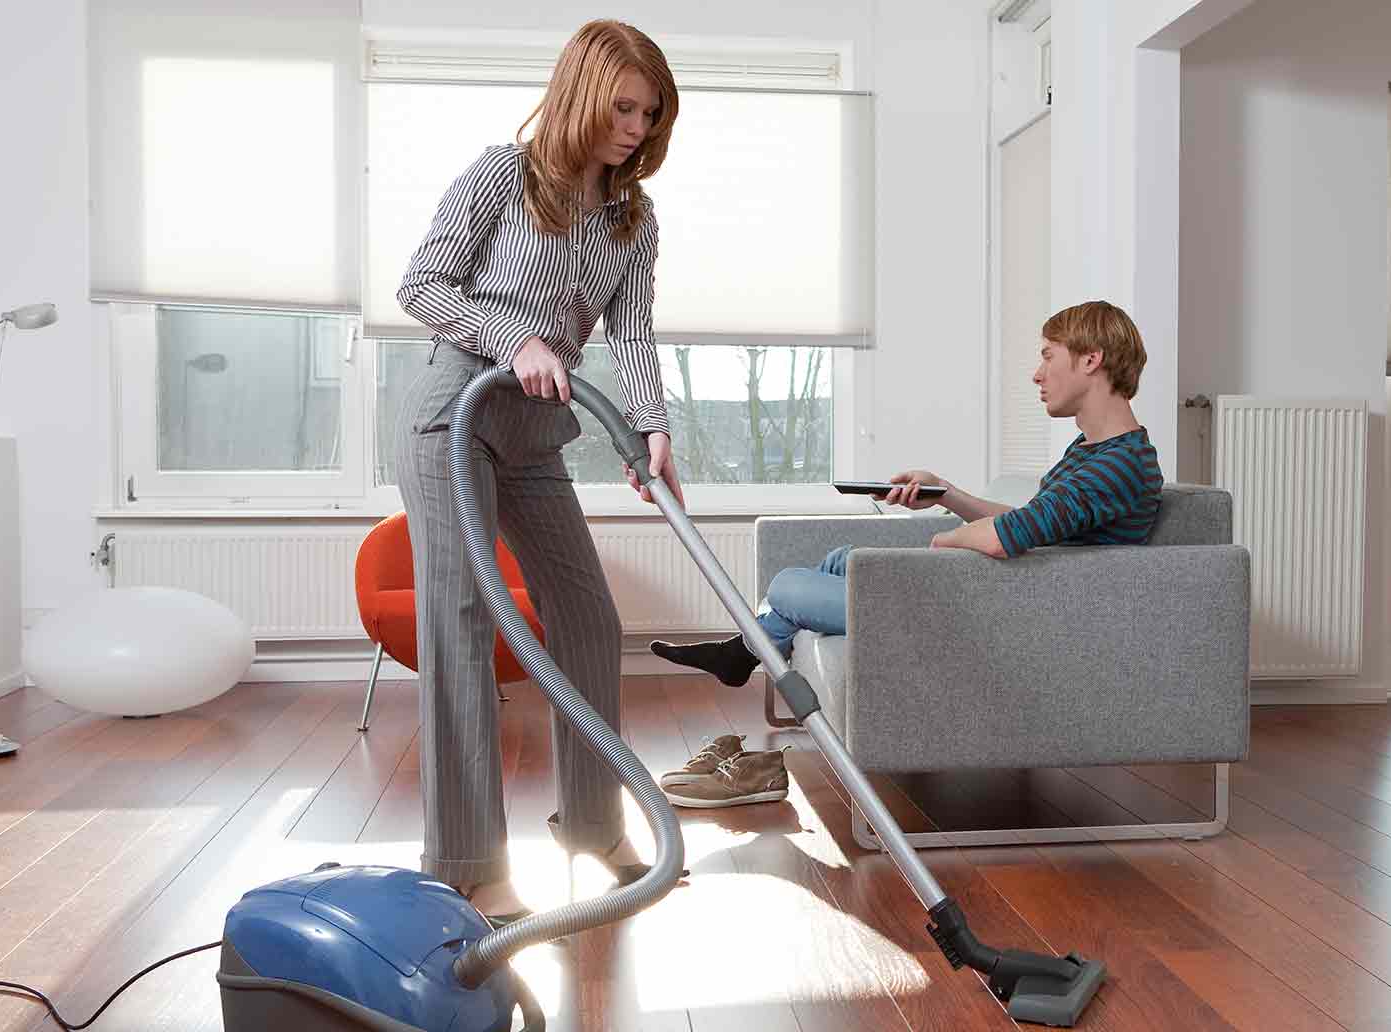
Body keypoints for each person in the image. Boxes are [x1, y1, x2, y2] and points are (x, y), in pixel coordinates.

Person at [393, 19, 686, 925]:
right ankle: (468, 860)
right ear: (581, 92)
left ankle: (593, 827)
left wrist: (651, 430)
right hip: (456, 414)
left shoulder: (632, 219)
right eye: (622, 106)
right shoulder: (500, 174)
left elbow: (631, 332)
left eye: (649, 112)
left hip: (537, 435)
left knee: (590, 618)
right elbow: (421, 284)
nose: (634, 128)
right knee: (462, 616)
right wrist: (512, 338)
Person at [648, 301, 1163, 805]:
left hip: (999, 616)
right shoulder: (1097, 453)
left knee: (787, 586)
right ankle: (745, 651)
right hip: (999, 596)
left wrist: (946, 541)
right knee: (840, 559)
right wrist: (945, 492)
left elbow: (1007, 535)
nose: (1036, 373)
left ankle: (744, 651)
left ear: (1090, 359)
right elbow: (1033, 519)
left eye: (1048, 355)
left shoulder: (1116, 465)